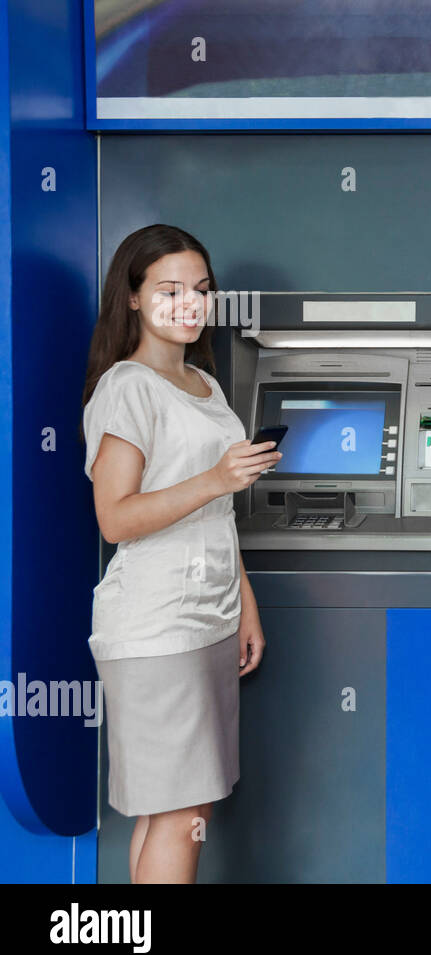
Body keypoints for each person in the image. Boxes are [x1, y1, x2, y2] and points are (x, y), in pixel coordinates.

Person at [81, 224, 281, 883]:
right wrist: (217, 477)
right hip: (156, 626)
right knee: (178, 810)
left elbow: (215, 515)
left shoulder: (204, 383)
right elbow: (116, 517)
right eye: (169, 289)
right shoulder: (127, 387)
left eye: (200, 289)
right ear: (133, 298)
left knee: (168, 809)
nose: (189, 303)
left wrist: (243, 605)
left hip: (207, 618)